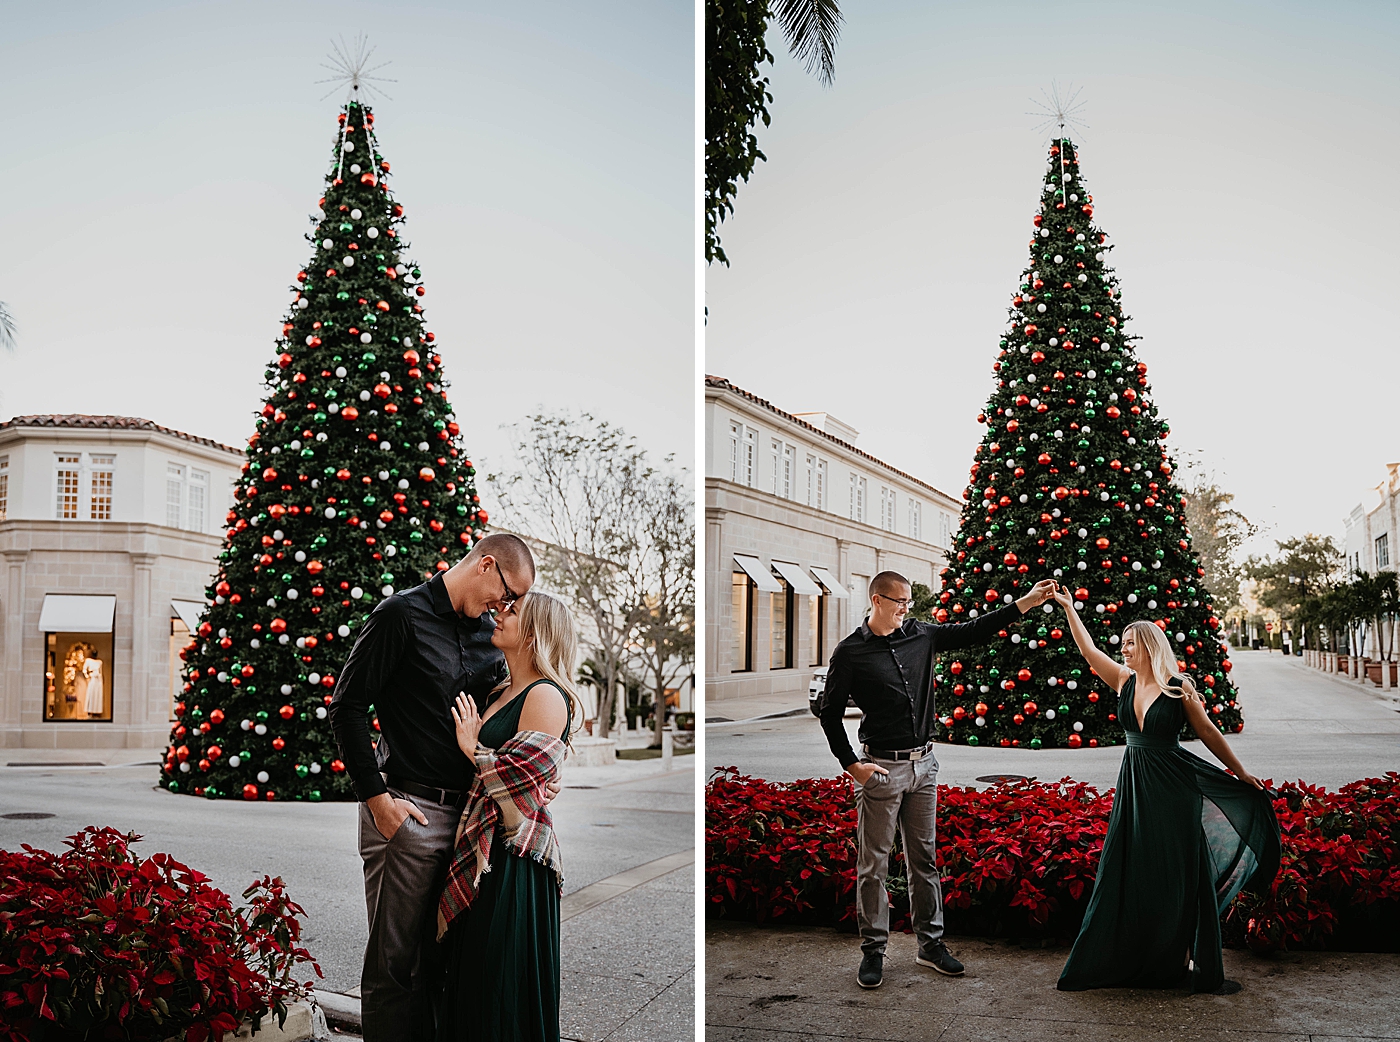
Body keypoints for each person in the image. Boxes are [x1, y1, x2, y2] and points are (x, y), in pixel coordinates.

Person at [329, 532, 543, 1042]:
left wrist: (533, 779)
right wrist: (377, 800)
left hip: (473, 821)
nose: (507, 606)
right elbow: (347, 706)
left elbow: (511, 708)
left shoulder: (488, 634)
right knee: (395, 966)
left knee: (448, 961)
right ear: (486, 565)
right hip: (409, 811)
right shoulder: (400, 616)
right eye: (508, 593)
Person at [820, 570, 1058, 989]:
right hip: (881, 770)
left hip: (925, 766)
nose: (906, 610)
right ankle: (873, 952)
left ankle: (930, 946)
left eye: (909, 602)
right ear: (877, 601)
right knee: (873, 865)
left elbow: (974, 630)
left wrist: (1025, 603)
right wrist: (851, 764)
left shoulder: (922, 635)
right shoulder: (850, 653)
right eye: (900, 603)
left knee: (923, 861)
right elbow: (829, 712)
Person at [1050, 583, 1280, 994]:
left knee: (1173, 873)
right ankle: (1127, 955)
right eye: (1122, 643)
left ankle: (1177, 959)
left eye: (1130, 643)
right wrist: (1069, 609)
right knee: (1128, 867)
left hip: (1173, 790)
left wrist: (1240, 772)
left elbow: (1208, 731)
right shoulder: (1123, 680)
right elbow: (1087, 653)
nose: (1123, 649)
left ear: (1149, 645)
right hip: (1135, 785)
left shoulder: (1178, 686)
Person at [438, 589, 583, 1042]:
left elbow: (517, 794)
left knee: (501, 982)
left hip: (514, 861)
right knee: (475, 980)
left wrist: (472, 749)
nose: (499, 614)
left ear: (536, 632)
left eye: (512, 611)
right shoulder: (502, 690)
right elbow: (522, 775)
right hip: (484, 851)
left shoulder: (545, 696)